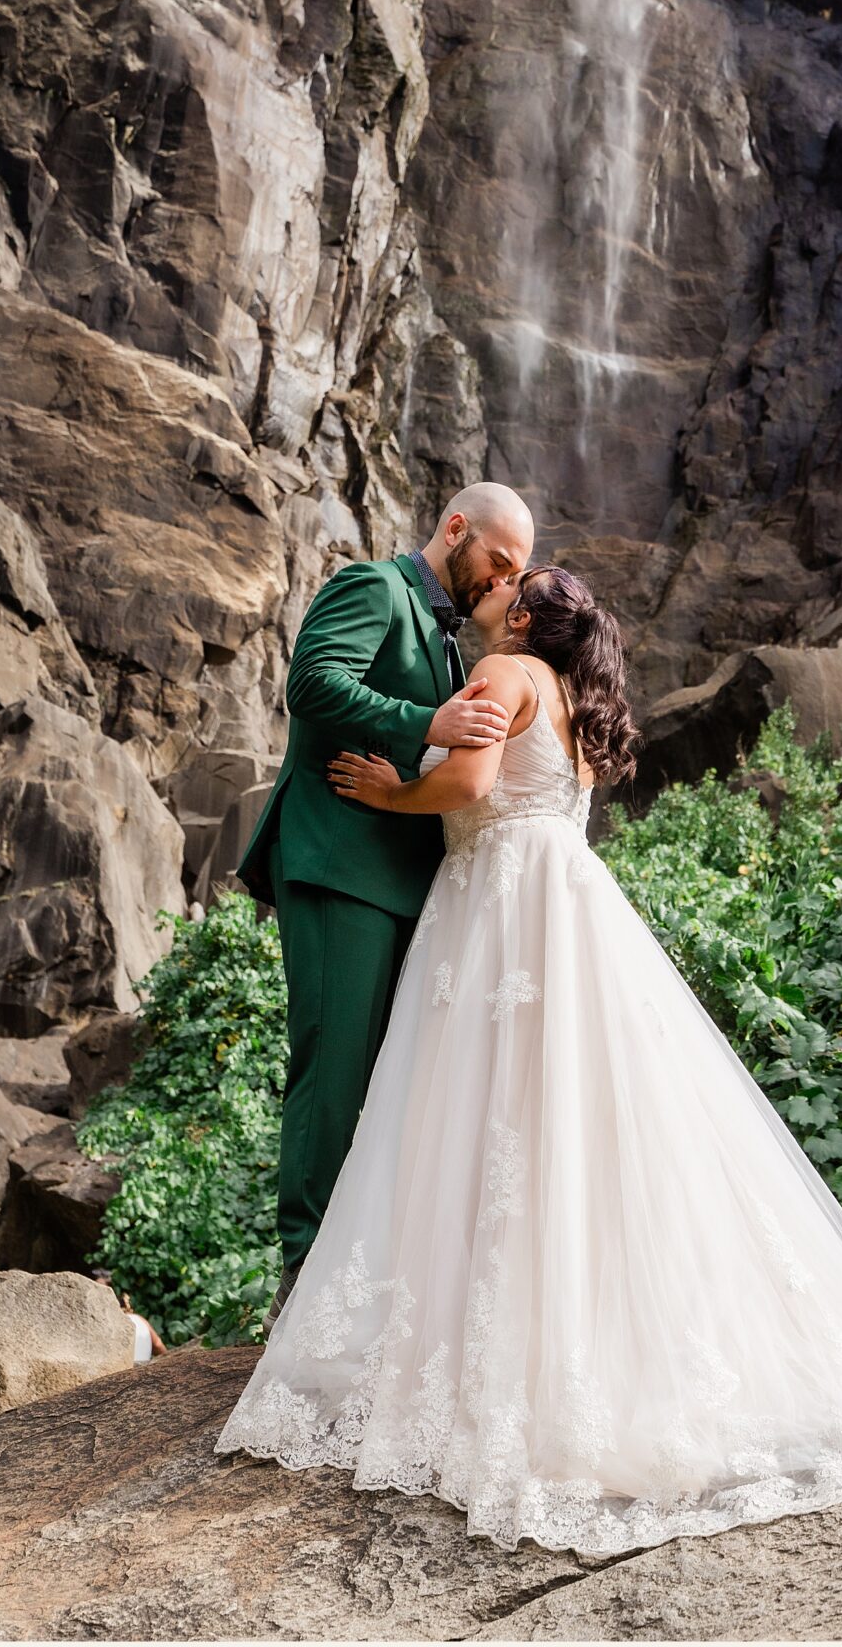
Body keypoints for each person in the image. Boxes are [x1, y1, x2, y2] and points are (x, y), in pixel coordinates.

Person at [217, 563, 842, 1556]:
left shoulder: (506, 673)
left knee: (475, 1116)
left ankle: (476, 1354)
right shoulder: (578, 705)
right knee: (568, 1125)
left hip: (497, 908)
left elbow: (467, 782)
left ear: (522, 619)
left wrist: (390, 789)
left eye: (514, 590)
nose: (498, 596)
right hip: (563, 903)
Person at [235, 483, 538, 1329]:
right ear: (455, 530)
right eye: (498, 561)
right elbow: (313, 684)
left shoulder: (463, 639)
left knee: (402, 1087)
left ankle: (378, 1282)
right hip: (342, 869)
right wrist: (426, 719)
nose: (504, 582)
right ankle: (306, 1283)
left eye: (517, 573)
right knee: (333, 1075)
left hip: (418, 887)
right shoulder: (374, 587)